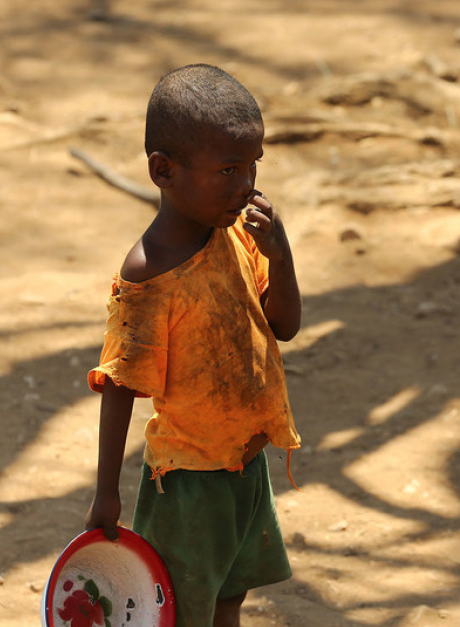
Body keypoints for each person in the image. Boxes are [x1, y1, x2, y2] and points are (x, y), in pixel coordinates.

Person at [83, 63, 302, 627]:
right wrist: (107, 491)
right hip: (188, 486)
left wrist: (282, 257)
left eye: (253, 165)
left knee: (231, 596)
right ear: (164, 171)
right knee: (182, 612)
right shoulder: (148, 275)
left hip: (246, 468)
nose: (246, 184)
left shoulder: (238, 233)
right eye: (229, 168)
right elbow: (120, 385)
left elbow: (284, 326)